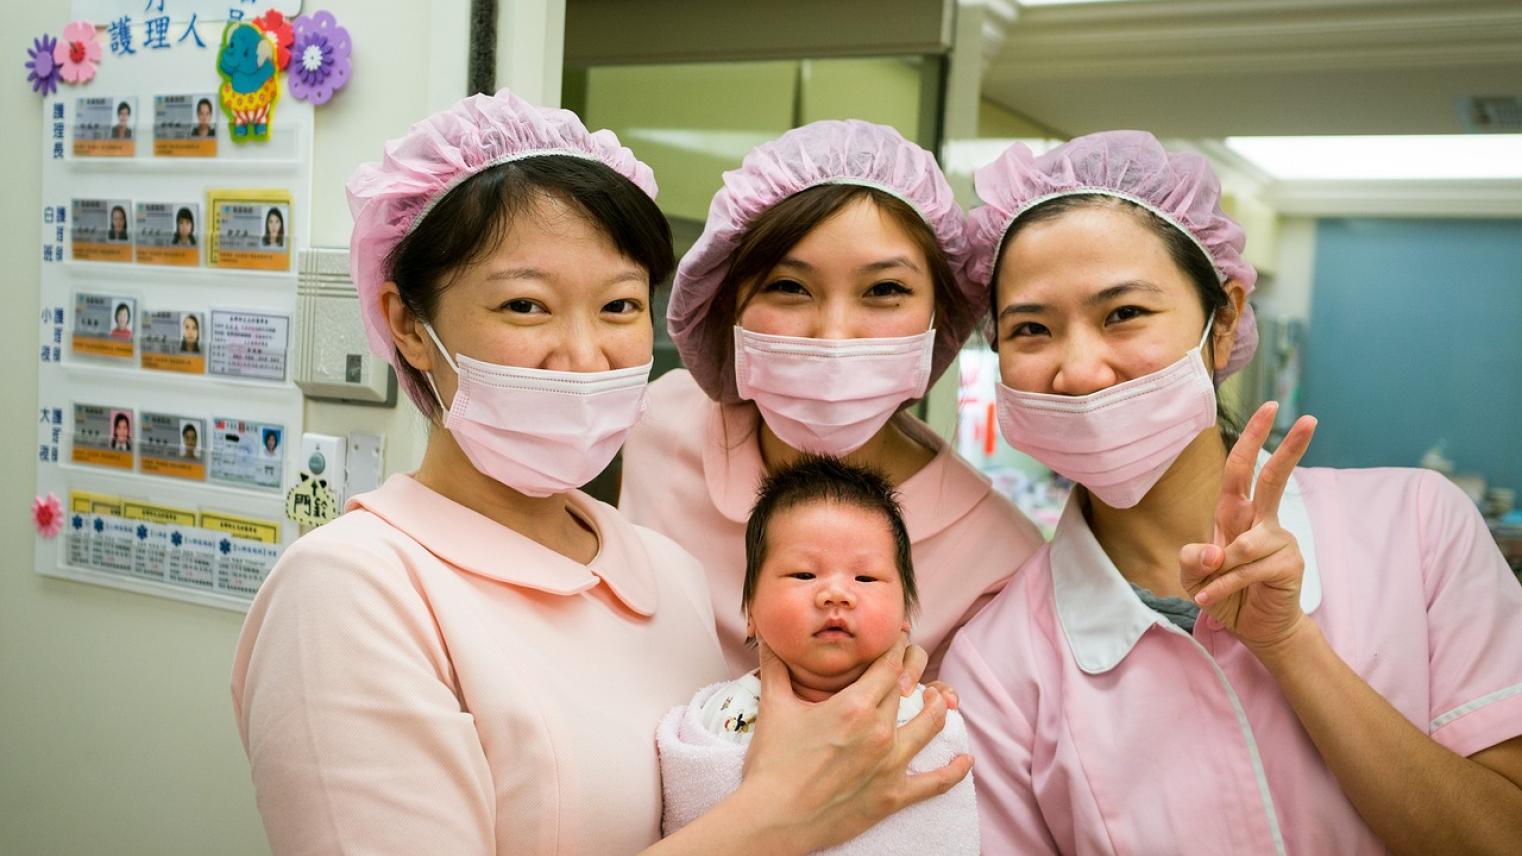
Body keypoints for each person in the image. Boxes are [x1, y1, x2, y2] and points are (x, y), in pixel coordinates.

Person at [231, 89, 968, 856]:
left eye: (619, 306)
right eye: (525, 306)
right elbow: (758, 819)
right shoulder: (354, 589)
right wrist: (777, 819)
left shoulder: (664, 574)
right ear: (409, 326)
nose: (584, 354)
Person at [938, 131, 1522, 853]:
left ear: (1226, 324)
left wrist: (1290, 647)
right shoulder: (998, 662)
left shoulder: (1418, 525)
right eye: (1031, 329)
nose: (1080, 370)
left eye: (1124, 313)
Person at [620, 120, 1043, 680]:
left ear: (942, 315)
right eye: (789, 287)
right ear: (727, 303)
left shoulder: (996, 558)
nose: (834, 334)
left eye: (885, 291)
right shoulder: (657, 423)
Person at [659, 455, 979, 852]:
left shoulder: (921, 714)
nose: (836, 594)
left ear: (904, 619)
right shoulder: (715, 718)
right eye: (804, 575)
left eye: (865, 578)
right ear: (751, 613)